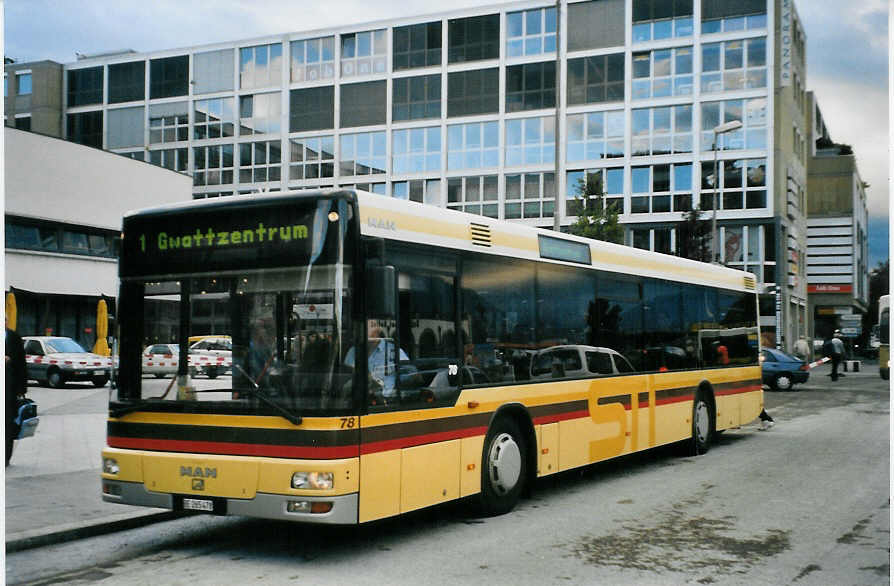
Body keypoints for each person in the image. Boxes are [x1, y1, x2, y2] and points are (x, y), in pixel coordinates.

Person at [6, 319, 28, 466]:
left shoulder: (14, 337)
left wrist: (22, 389)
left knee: (8, 423)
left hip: (9, 388)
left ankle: (5, 457)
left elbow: (22, 364)